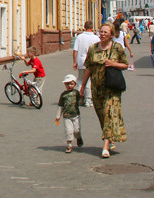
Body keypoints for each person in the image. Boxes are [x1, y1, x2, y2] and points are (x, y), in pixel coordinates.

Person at [80, 22, 129, 158]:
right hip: (96, 88)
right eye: (101, 32)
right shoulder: (93, 48)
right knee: (101, 114)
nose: (102, 34)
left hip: (111, 88)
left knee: (109, 113)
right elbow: (88, 67)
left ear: (111, 35)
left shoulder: (117, 48)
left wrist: (113, 64)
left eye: (105, 32)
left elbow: (125, 65)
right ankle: (110, 137)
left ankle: (106, 145)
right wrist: (83, 86)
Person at [72, 21, 99, 107]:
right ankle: (88, 100)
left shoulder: (79, 37)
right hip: (92, 61)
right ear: (92, 27)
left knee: (80, 80)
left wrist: (75, 62)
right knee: (89, 81)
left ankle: (81, 98)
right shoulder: (96, 38)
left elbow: (75, 51)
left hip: (81, 61)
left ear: (84, 27)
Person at [55, 74, 83, 153]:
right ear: (65, 84)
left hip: (76, 115)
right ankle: (69, 145)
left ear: (74, 84)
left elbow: (81, 100)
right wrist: (58, 116)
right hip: (67, 116)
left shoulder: (76, 93)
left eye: (71, 84)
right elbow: (60, 106)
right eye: (67, 84)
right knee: (69, 131)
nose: (69, 86)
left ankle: (78, 137)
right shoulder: (63, 95)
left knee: (77, 130)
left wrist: (82, 97)